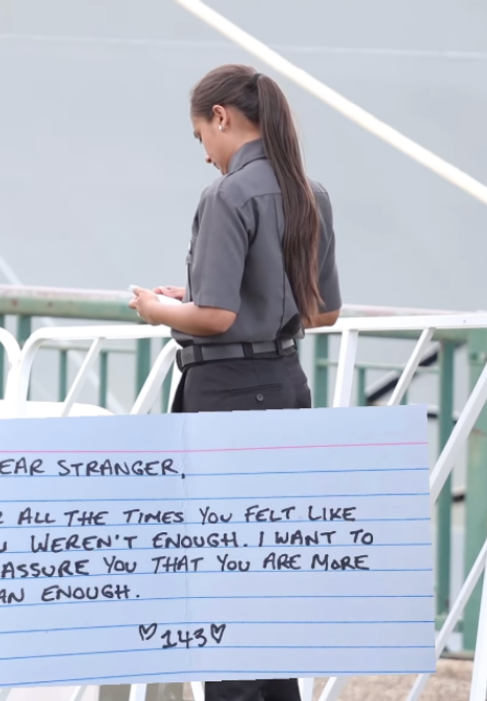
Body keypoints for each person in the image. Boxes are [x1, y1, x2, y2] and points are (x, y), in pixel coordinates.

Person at [129, 64, 342, 701]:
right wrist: (197, 299)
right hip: (284, 384)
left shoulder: (228, 195)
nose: (205, 154)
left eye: (201, 137)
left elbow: (215, 318)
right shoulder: (311, 191)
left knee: (218, 577)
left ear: (221, 117)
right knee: (264, 573)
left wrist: (157, 307)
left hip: (222, 396)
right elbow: (322, 310)